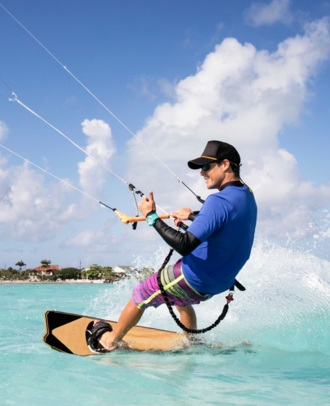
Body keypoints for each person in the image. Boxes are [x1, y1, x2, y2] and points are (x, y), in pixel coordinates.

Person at [88, 140, 257, 353]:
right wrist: (194, 216)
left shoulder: (218, 201)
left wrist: (151, 217)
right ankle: (191, 342)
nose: (201, 173)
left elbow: (184, 245)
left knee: (142, 293)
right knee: (179, 299)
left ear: (225, 164)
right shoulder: (246, 196)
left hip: (195, 277)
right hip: (220, 282)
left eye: (206, 167)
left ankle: (109, 341)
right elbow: (227, 221)